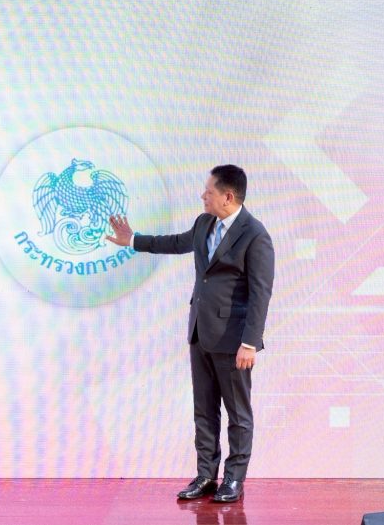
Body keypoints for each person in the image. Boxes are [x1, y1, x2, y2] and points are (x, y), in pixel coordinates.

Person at [106, 165, 274, 503]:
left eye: (209, 192)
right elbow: (175, 243)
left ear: (228, 196)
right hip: (200, 332)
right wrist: (133, 240)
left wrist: (249, 343)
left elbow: (261, 293)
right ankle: (206, 475)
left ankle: (234, 479)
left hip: (234, 341)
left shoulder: (255, 235)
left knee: (238, 414)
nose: (203, 196)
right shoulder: (203, 223)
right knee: (204, 410)